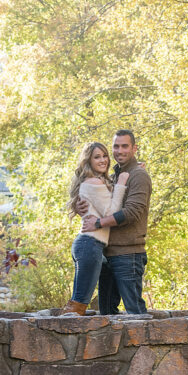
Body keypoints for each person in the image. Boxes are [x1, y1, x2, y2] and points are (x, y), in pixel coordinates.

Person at [75, 129, 152, 314]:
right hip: (107, 253)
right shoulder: (114, 175)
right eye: (116, 147)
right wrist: (80, 208)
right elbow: (96, 201)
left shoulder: (138, 175)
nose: (119, 151)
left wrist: (99, 223)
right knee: (106, 313)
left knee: (135, 312)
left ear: (134, 148)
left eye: (125, 146)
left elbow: (132, 212)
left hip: (128, 254)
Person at [60, 142, 128, 316]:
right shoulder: (93, 181)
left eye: (105, 156)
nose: (103, 160)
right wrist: (122, 182)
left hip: (90, 245)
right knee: (80, 302)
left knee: (78, 300)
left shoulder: (99, 181)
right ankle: (65, 337)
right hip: (89, 244)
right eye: (97, 157)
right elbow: (111, 212)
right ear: (88, 161)